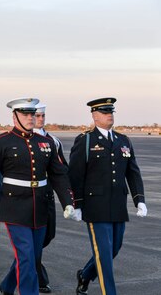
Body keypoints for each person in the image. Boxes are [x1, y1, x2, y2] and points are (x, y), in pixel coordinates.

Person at [0, 98, 77, 295]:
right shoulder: (2, 142)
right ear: (15, 117)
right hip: (14, 207)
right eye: (26, 114)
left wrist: (68, 202)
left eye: (33, 114)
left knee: (33, 256)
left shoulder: (46, 143)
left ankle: (7, 286)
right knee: (25, 256)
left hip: (39, 206)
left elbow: (59, 174)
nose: (31, 118)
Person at [69, 97, 147, 295]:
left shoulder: (123, 140)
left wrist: (140, 200)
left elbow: (133, 172)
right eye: (105, 112)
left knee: (113, 249)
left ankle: (85, 275)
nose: (109, 115)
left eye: (111, 112)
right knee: (103, 254)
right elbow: (76, 174)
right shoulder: (85, 140)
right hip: (95, 207)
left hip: (118, 204)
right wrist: (76, 203)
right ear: (95, 116)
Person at [32, 103, 69, 293]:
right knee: (33, 242)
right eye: (36, 115)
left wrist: (69, 198)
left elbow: (61, 170)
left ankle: (24, 267)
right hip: (28, 195)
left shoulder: (53, 141)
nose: (39, 119)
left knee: (48, 236)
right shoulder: (25, 139)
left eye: (42, 116)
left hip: (47, 194)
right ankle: (39, 278)